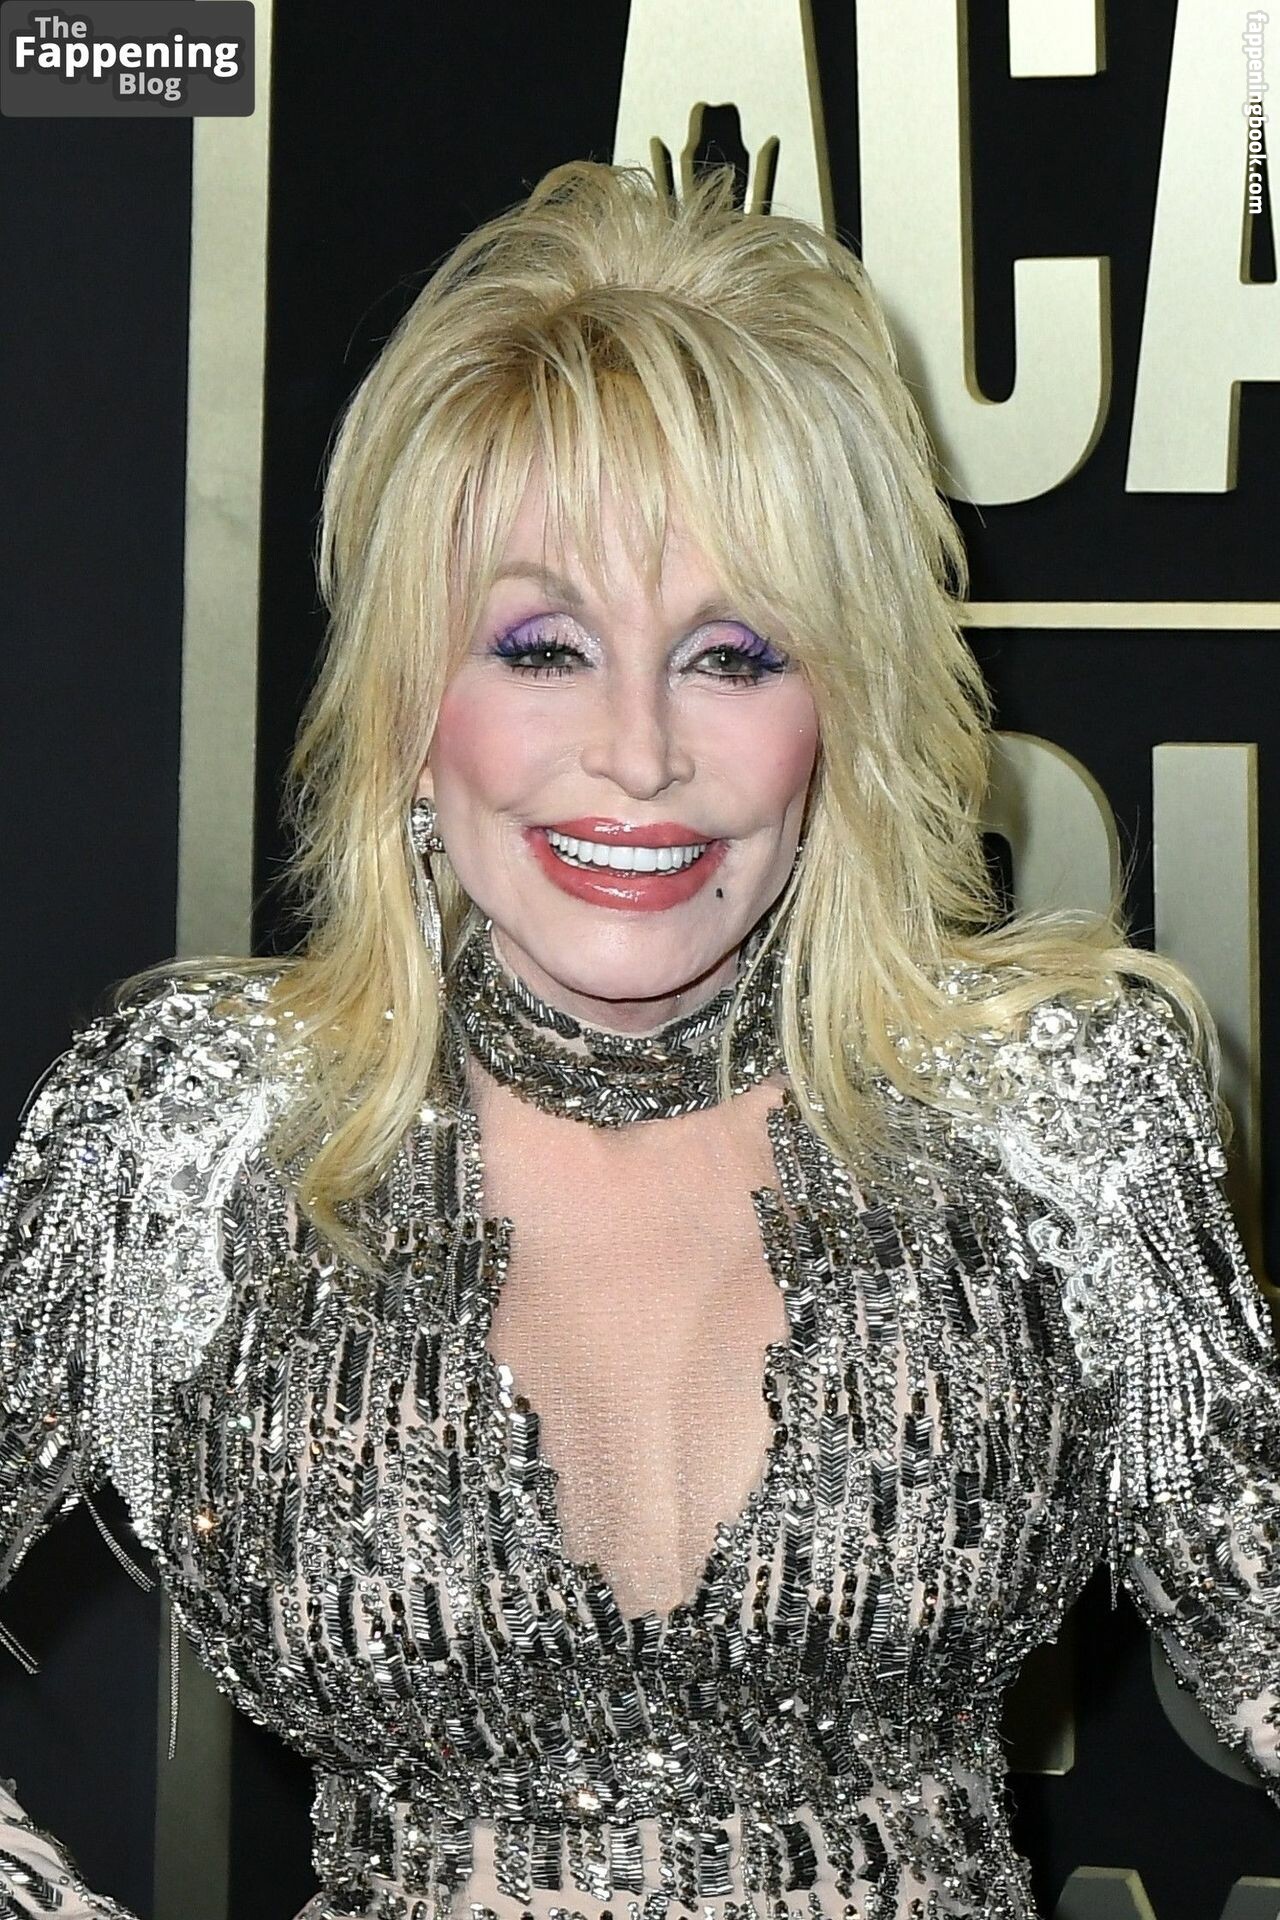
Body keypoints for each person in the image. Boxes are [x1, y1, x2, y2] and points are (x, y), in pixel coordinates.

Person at [0, 160, 1277, 1920]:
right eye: (543, 646)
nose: (641, 753)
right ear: (408, 700)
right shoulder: (196, 1129)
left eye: (733, 655)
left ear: (847, 706)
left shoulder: (1056, 1111)